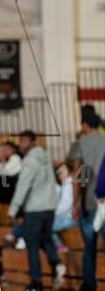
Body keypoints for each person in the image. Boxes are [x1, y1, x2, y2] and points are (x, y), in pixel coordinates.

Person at [8, 131, 66, 291]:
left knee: (32, 245)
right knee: (45, 238)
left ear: (30, 142)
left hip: (35, 208)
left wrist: (13, 209)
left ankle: (36, 282)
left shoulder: (29, 160)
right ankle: (56, 264)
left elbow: (23, 186)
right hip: (50, 206)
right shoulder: (45, 157)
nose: (20, 145)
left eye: (23, 141)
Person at [70, 110, 105, 291]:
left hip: (90, 203)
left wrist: (74, 203)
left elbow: (78, 177)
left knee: (89, 248)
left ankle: (89, 285)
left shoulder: (80, 144)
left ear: (84, 124)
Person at [52, 163, 77, 252]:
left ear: (69, 172)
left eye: (61, 172)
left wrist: (53, 213)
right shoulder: (64, 185)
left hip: (68, 218)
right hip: (64, 217)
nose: (59, 174)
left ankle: (60, 246)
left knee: (46, 226)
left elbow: (65, 206)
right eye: (58, 172)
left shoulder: (69, 184)